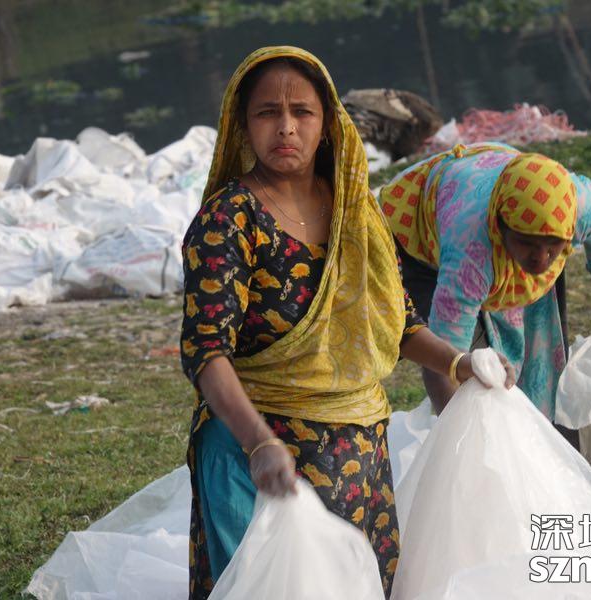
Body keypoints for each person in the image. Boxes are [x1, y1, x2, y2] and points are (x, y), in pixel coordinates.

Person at [179, 47, 514, 599]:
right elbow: (206, 351)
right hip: (261, 458)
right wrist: (258, 444)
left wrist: (461, 362)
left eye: (302, 112)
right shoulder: (229, 220)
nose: (286, 127)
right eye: (267, 112)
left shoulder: (354, 211)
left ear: (328, 122)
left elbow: (399, 323)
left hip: (358, 459)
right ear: (243, 124)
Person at [378, 143, 591, 435]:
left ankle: (544, 431)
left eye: (553, 245)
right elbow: (443, 365)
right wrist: (460, 441)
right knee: (478, 374)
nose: (541, 258)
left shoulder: (579, 209)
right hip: (419, 230)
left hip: (492, 178)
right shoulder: (469, 252)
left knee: (540, 362)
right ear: (501, 227)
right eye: (528, 243)